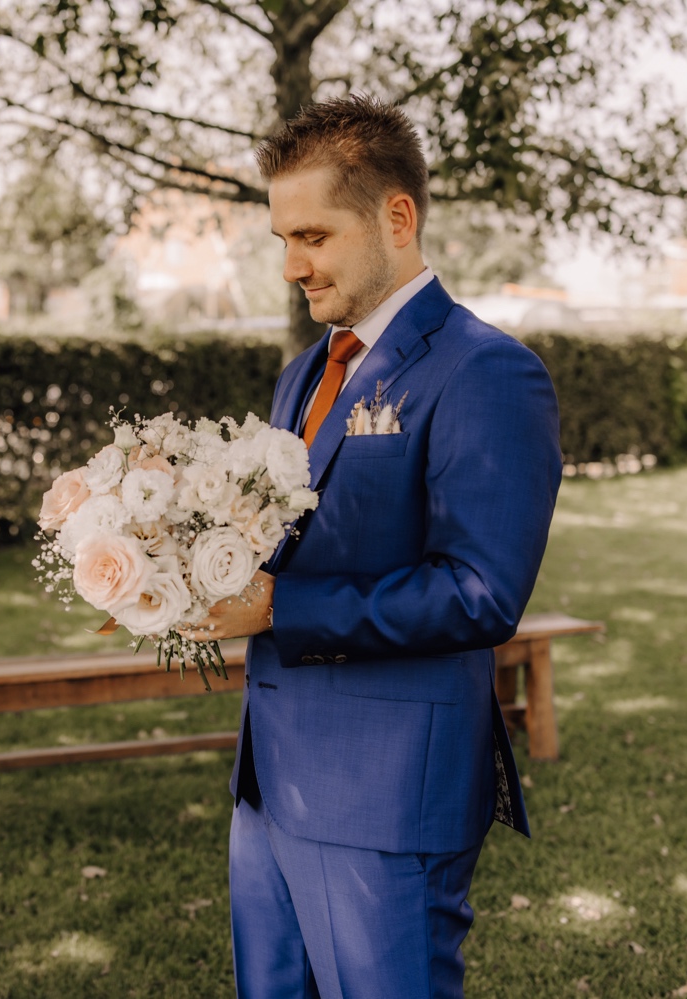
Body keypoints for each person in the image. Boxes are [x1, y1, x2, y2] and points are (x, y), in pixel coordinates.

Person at [181, 95, 562, 998]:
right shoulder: (303, 373)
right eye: (281, 239)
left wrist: (279, 606)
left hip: (386, 796)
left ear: (397, 216)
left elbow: (479, 593)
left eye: (312, 235)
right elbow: (287, 540)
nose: (291, 265)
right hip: (269, 780)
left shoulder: (486, 371)